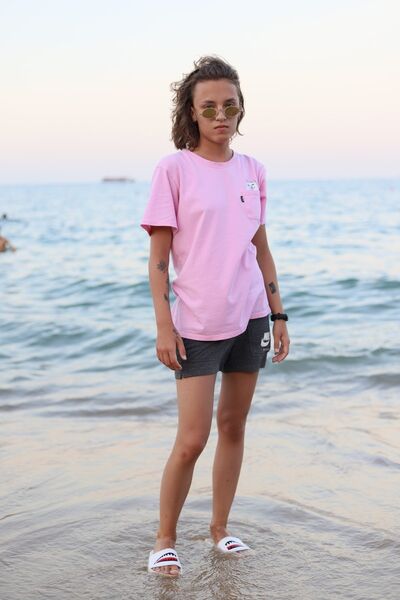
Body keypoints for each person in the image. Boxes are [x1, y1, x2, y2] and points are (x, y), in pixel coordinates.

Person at [140, 55, 290, 577]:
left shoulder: (253, 171)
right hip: (197, 324)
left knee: (233, 425)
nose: (220, 116)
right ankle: (164, 539)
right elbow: (159, 259)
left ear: (241, 108)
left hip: (250, 316)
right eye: (209, 108)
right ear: (192, 113)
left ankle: (220, 529)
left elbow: (260, 249)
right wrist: (164, 325)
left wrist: (278, 314)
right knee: (192, 439)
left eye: (230, 105)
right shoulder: (174, 169)